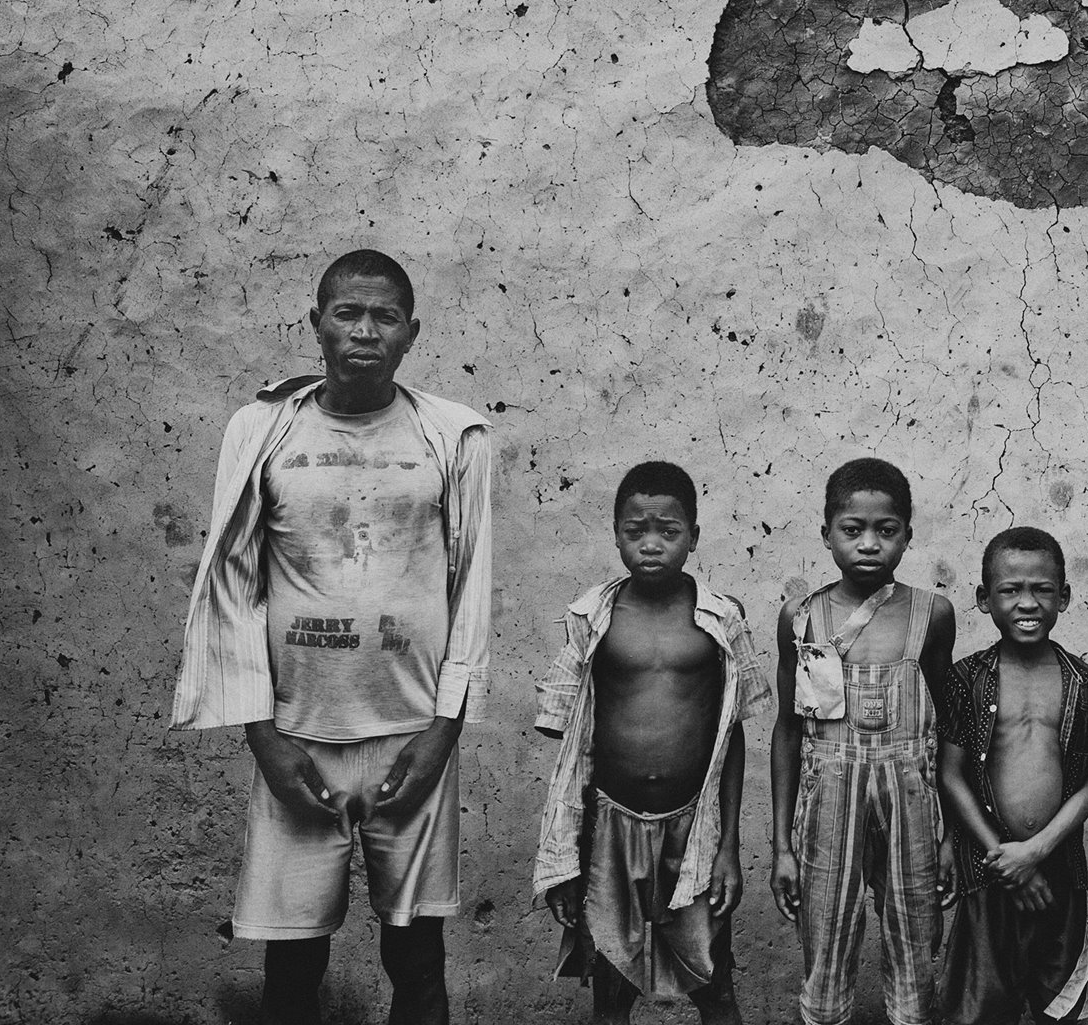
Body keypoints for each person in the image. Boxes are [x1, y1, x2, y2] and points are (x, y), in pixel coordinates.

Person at [170, 249, 492, 1025]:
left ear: (410, 334)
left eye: (384, 316)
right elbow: (233, 589)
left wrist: (442, 734)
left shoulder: (454, 434)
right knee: (292, 966)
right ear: (316, 325)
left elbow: (472, 588)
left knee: (416, 962)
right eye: (348, 313)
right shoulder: (262, 430)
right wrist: (265, 740)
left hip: (411, 738)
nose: (365, 330)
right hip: (298, 740)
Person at [533, 460, 770, 1025]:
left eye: (668, 531)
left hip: (695, 828)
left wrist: (729, 848)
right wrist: (568, 856)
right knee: (612, 987)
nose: (651, 545)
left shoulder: (720, 619)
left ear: (693, 536)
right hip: (610, 826)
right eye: (635, 531)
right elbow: (570, 746)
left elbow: (731, 734)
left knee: (714, 981)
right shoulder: (592, 618)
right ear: (616, 534)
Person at [771, 457, 957, 1025]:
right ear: (826, 532)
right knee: (824, 945)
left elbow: (949, 728)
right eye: (852, 530)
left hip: (913, 805)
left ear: (908, 534)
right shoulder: (800, 617)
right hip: (828, 803)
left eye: (886, 530)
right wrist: (781, 845)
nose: (869, 544)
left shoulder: (932, 614)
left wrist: (952, 837)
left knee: (916, 951)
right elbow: (787, 726)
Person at [937, 526, 1088, 1025]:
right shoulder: (966, 679)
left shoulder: (1085, 683)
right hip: (988, 869)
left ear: (1064, 595)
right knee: (979, 1008)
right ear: (983, 598)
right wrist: (1006, 860)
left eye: (1042, 589)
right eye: (1011, 590)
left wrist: (1035, 854)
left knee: (1060, 1005)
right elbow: (950, 777)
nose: (1027, 603)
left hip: (1059, 874)